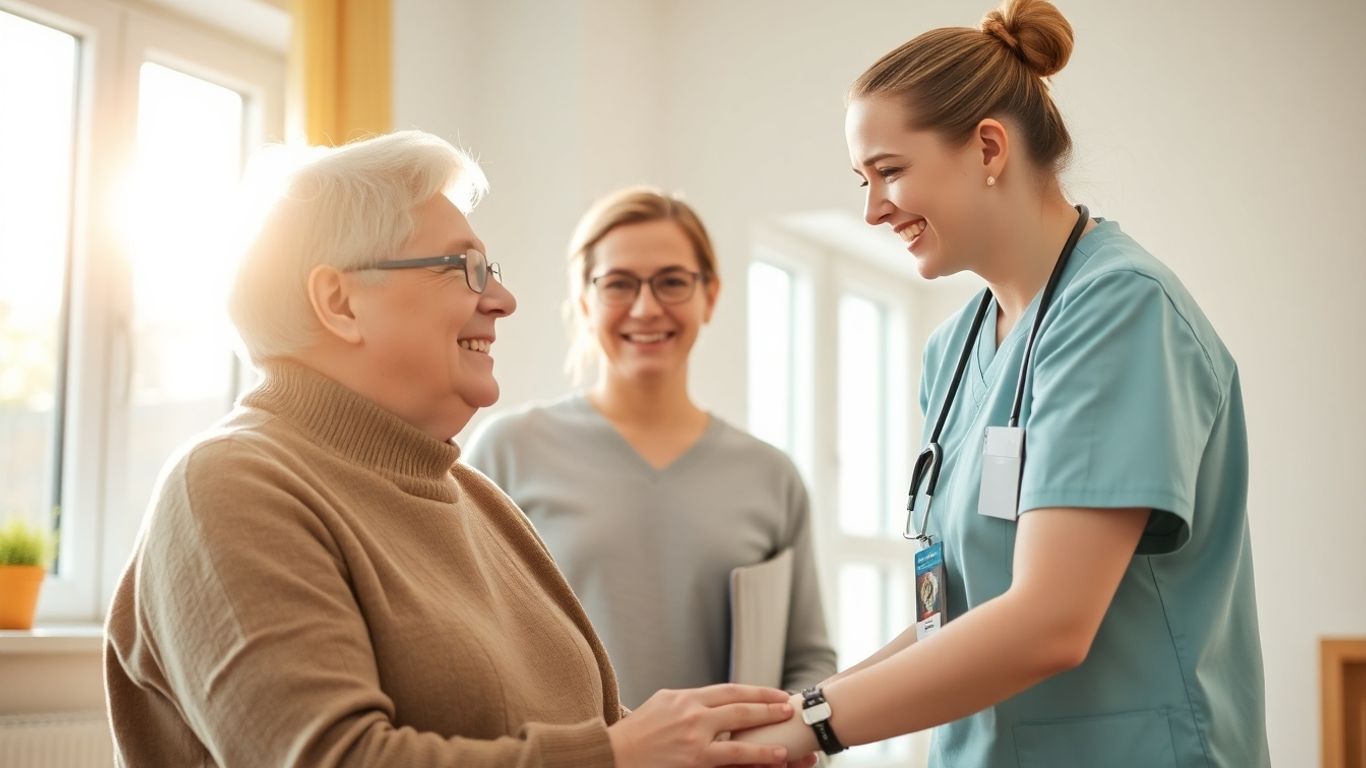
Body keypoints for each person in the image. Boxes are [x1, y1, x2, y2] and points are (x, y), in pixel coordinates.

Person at [103, 131, 803, 768]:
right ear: (339, 301)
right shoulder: (228, 485)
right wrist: (618, 754)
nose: (502, 299)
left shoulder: (475, 499)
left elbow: (597, 731)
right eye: (465, 269)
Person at [734, 1, 1269, 766]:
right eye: (862, 178)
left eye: (888, 171)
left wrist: (819, 722)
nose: (872, 208)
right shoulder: (952, 352)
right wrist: (799, 714)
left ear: (989, 145)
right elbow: (947, 620)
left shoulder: (1121, 309)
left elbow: (1051, 621)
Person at [465, 188, 836, 710]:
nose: (646, 307)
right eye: (618, 284)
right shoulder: (507, 451)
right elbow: (471, 643)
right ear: (583, 300)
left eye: (672, 282)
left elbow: (808, 661)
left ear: (710, 295)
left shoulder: (771, 476)